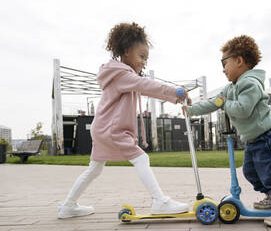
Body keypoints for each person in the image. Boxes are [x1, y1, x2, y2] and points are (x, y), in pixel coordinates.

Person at [58, 22, 189, 219]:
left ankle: (68, 205)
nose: (144, 62)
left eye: (146, 58)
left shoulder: (119, 74)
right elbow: (146, 85)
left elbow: (142, 85)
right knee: (141, 158)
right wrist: (174, 93)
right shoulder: (122, 74)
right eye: (142, 56)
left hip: (103, 127)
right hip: (112, 129)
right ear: (127, 51)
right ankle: (159, 201)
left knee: (94, 169)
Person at [182, 35, 271, 228]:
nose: (223, 69)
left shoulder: (250, 84)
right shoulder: (230, 88)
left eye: (224, 63)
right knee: (250, 172)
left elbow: (243, 109)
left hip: (267, 137)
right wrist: (191, 109)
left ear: (239, 60)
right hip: (254, 140)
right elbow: (214, 102)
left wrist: (225, 104)